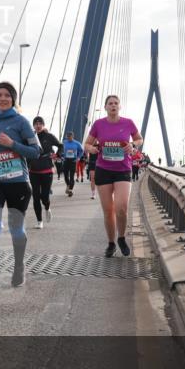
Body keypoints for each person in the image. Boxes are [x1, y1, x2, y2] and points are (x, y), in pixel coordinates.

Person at [0, 82, 41, 292]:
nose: (2, 98)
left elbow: (36, 151)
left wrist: (12, 144)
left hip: (18, 183)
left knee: (16, 229)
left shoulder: (21, 122)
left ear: (13, 99)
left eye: (6, 95)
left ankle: (19, 266)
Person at [84, 94, 143, 258]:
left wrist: (132, 145)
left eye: (116, 103)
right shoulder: (98, 124)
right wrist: (91, 149)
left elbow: (139, 139)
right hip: (103, 170)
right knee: (108, 210)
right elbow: (87, 143)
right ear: (105, 107)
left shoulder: (128, 123)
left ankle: (122, 238)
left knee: (121, 208)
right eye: (110, 103)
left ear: (120, 106)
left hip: (123, 169)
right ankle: (111, 243)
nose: (113, 105)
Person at [28, 117, 61, 229]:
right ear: (33, 125)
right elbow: (23, 149)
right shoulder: (30, 137)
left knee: (44, 196)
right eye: (36, 123)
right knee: (36, 196)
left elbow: (60, 145)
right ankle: (39, 221)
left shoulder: (49, 136)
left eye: (40, 123)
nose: (38, 125)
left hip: (47, 170)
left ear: (43, 125)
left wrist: (58, 155)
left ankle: (47, 208)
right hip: (33, 171)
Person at [62, 131, 84, 196]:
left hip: (73, 161)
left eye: (70, 136)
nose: (69, 138)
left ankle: (70, 190)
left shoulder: (77, 143)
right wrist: (62, 155)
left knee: (71, 176)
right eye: (68, 137)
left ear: (72, 136)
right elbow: (61, 149)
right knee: (66, 176)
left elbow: (81, 151)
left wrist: (78, 158)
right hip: (66, 160)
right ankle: (68, 185)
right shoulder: (64, 142)